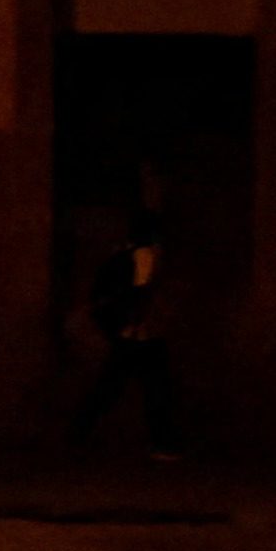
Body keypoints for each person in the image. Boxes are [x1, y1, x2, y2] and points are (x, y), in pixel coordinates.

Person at [69, 172, 189, 460]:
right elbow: (138, 291)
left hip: (134, 334)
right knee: (147, 390)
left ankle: (79, 434)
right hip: (138, 334)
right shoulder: (142, 258)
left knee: (120, 388)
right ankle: (160, 444)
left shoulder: (124, 257)